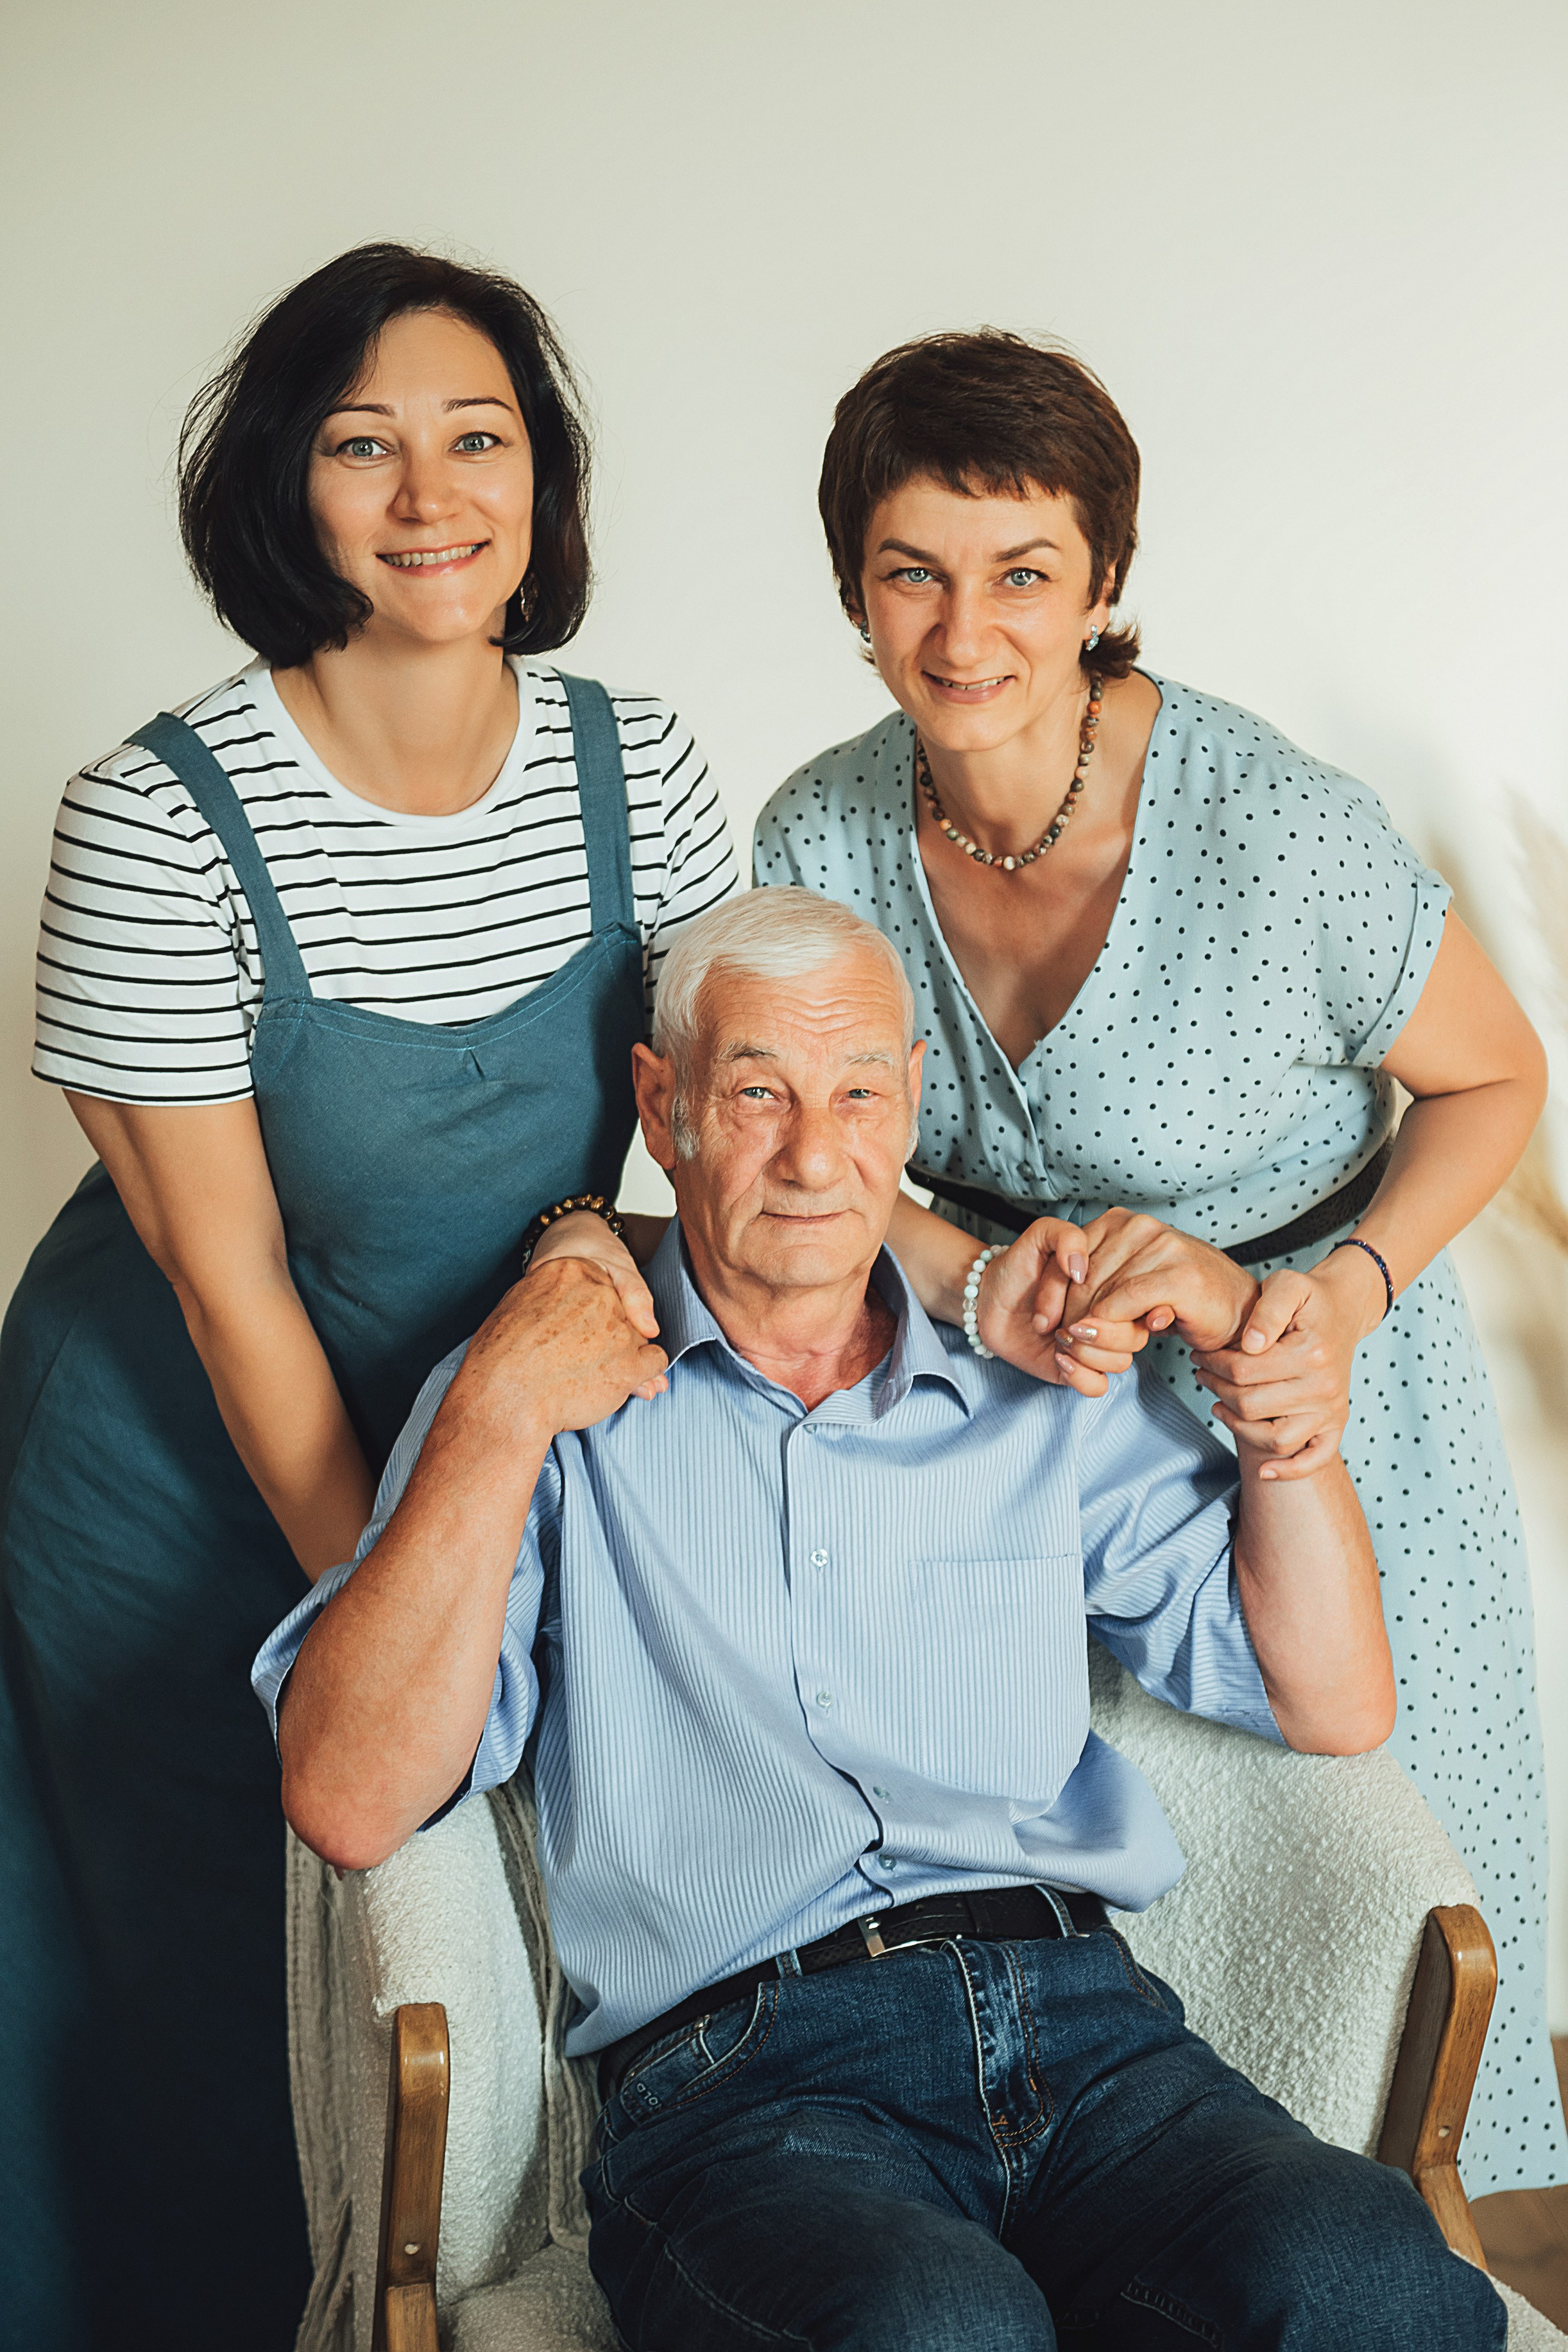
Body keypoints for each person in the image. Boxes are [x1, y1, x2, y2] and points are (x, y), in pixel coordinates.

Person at [257, 889, 1503, 2352]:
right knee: (934, 2330)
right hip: (747, 2082)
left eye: (856, 1093)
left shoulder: (1038, 1379)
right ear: (663, 1109)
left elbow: (1333, 1699)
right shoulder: (546, 1387)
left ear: (910, 1102)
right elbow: (344, 1794)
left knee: (1380, 2276)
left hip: (1091, 2032)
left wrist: (1284, 1432)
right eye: (757, 1092)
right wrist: (492, 1411)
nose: (810, 1153)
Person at [0, 243, 737, 2350]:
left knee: (477, 2002)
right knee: (219, 2001)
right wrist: (398, 1639)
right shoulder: (155, 818)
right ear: (281, 490)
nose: (432, 491)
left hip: (478, 1429)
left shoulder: (638, 762)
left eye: (478, 434)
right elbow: (230, 1292)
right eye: (362, 443)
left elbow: (722, 1146)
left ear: (542, 476)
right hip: (180, 1482)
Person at [751, 329, 1568, 2197]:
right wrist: (962, 1277)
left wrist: (1340, 1301)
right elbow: (820, 1144)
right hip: (1018, 1430)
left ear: (1106, 582)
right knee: (1098, 1935)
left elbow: (1495, 1072)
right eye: (913, 574)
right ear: (852, 588)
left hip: (1319, 1402)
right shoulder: (816, 828)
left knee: (1368, 1913)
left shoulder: (1274, 827)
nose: (967, 632)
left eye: (1024, 572)